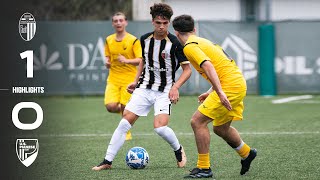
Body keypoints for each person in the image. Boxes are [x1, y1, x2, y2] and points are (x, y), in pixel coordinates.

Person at [92, 3, 192, 171]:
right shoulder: (144, 40)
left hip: (165, 90)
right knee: (124, 124)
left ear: (168, 23)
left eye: (165, 23)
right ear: (153, 22)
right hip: (144, 88)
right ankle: (107, 161)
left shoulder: (175, 43)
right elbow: (143, 62)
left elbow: (187, 70)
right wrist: (136, 81)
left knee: (160, 128)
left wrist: (175, 88)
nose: (161, 26)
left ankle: (178, 150)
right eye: (158, 22)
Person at [172, 15, 257, 178]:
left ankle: (204, 168)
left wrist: (219, 92)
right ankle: (247, 153)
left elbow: (208, 66)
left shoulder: (189, 46)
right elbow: (221, 68)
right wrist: (211, 91)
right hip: (237, 82)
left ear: (176, 33)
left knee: (197, 121)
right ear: (194, 30)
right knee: (220, 128)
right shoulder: (202, 41)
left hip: (230, 86)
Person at [104, 12, 142, 140]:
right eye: (116, 21)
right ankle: (125, 112)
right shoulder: (109, 39)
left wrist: (126, 61)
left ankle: (126, 132)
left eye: (121, 20)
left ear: (126, 22)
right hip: (113, 79)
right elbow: (107, 56)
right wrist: (107, 62)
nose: (118, 23)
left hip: (129, 79)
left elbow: (140, 60)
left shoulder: (133, 40)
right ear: (113, 23)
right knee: (110, 107)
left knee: (125, 106)